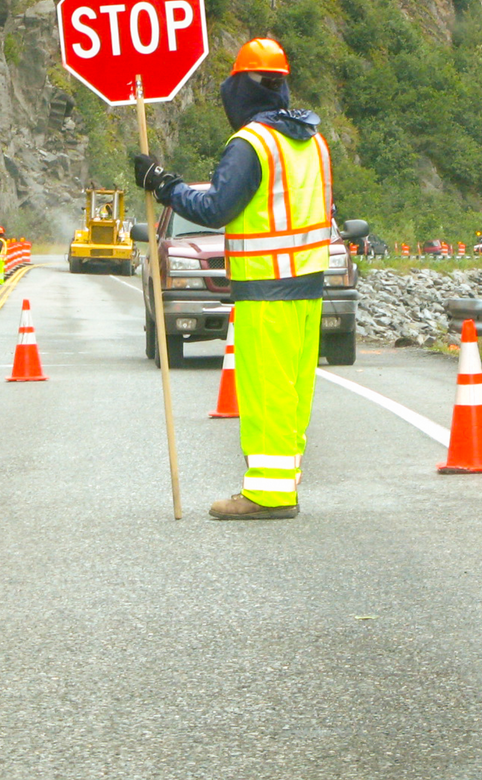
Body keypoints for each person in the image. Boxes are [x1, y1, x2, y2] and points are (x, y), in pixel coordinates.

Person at [133, 36, 333, 521]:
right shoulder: (312, 141)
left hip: (266, 292)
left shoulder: (253, 144)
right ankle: (283, 480)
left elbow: (217, 208)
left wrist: (164, 185)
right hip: (308, 289)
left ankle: (268, 493)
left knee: (266, 393)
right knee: (292, 392)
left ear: (241, 88)